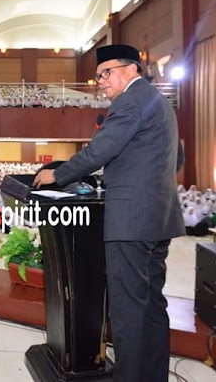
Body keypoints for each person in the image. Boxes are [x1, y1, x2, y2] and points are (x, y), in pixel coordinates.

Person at [33, 44, 184, 381]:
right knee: (151, 307)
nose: (100, 80)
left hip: (131, 222)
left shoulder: (130, 101)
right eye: (98, 75)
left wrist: (56, 174)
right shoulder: (159, 102)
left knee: (129, 310)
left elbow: (101, 149)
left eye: (107, 72)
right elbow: (177, 160)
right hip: (158, 217)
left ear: (132, 69)